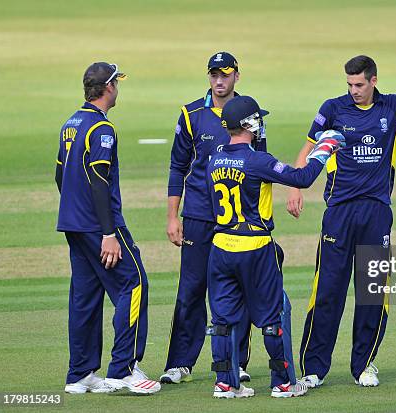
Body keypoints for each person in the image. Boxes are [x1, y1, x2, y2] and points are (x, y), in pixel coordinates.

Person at [287, 37, 396, 388]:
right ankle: (314, 368)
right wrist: (295, 187)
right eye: (349, 84)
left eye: (359, 84)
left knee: (372, 291)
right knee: (327, 291)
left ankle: (364, 365)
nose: (353, 91)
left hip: (377, 213)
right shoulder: (333, 108)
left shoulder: (392, 107)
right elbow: (307, 147)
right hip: (339, 213)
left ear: (374, 80)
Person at [206, 95, 345, 398]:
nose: (261, 123)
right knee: (273, 315)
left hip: (220, 247)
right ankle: (282, 383)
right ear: (248, 124)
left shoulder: (214, 158)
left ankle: (226, 383)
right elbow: (303, 177)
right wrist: (324, 148)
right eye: (258, 119)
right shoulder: (258, 161)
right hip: (255, 246)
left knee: (222, 320)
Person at [56, 62, 160, 394]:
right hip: (98, 225)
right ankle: (122, 370)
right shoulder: (102, 128)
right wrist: (108, 232)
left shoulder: (70, 124)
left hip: (74, 224)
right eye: (117, 82)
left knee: (85, 296)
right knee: (135, 283)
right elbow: (99, 180)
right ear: (109, 87)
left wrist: (77, 212)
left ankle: (80, 375)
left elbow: (61, 175)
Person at [162, 52, 256, 384]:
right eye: (214, 75)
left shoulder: (250, 113)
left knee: (238, 289)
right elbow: (177, 167)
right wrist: (173, 217)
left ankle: (237, 361)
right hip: (199, 216)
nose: (219, 81)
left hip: (236, 220)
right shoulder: (191, 114)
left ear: (236, 77)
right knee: (191, 289)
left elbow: (259, 165)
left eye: (225, 75)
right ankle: (179, 363)